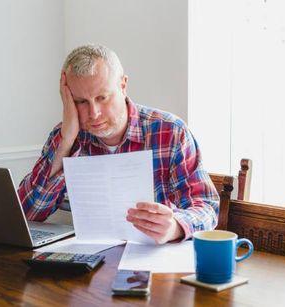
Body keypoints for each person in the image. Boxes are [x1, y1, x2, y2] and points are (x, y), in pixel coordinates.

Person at [18, 44, 219, 244]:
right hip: (88, 261)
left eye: (101, 97)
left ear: (123, 86)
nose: (94, 113)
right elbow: (28, 213)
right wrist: (66, 142)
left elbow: (207, 208)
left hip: (153, 260)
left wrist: (175, 226)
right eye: (80, 101)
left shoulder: (170, 131)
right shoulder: (67, 137)